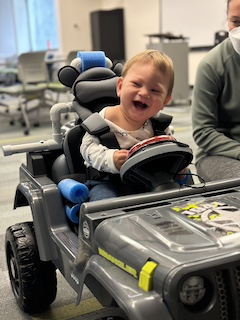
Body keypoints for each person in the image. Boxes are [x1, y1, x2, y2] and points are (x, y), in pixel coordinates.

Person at [80, 49, 188, 201]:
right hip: (109, 182)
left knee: (185, 184)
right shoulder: (100, 122)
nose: (144, 93)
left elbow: (168, 147)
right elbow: (87, 150)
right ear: (120, 87)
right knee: (103, 202)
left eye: (155, 90)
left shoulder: (159, 125)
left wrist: (177, 167)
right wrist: (111, 159)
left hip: (151, 179)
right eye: (137, 84)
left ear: (165, 101)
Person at [192, 0, 240, 182]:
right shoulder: (212, 65)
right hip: (218, 154)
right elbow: (203, 132)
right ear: (227, 20)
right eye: (236, 22)